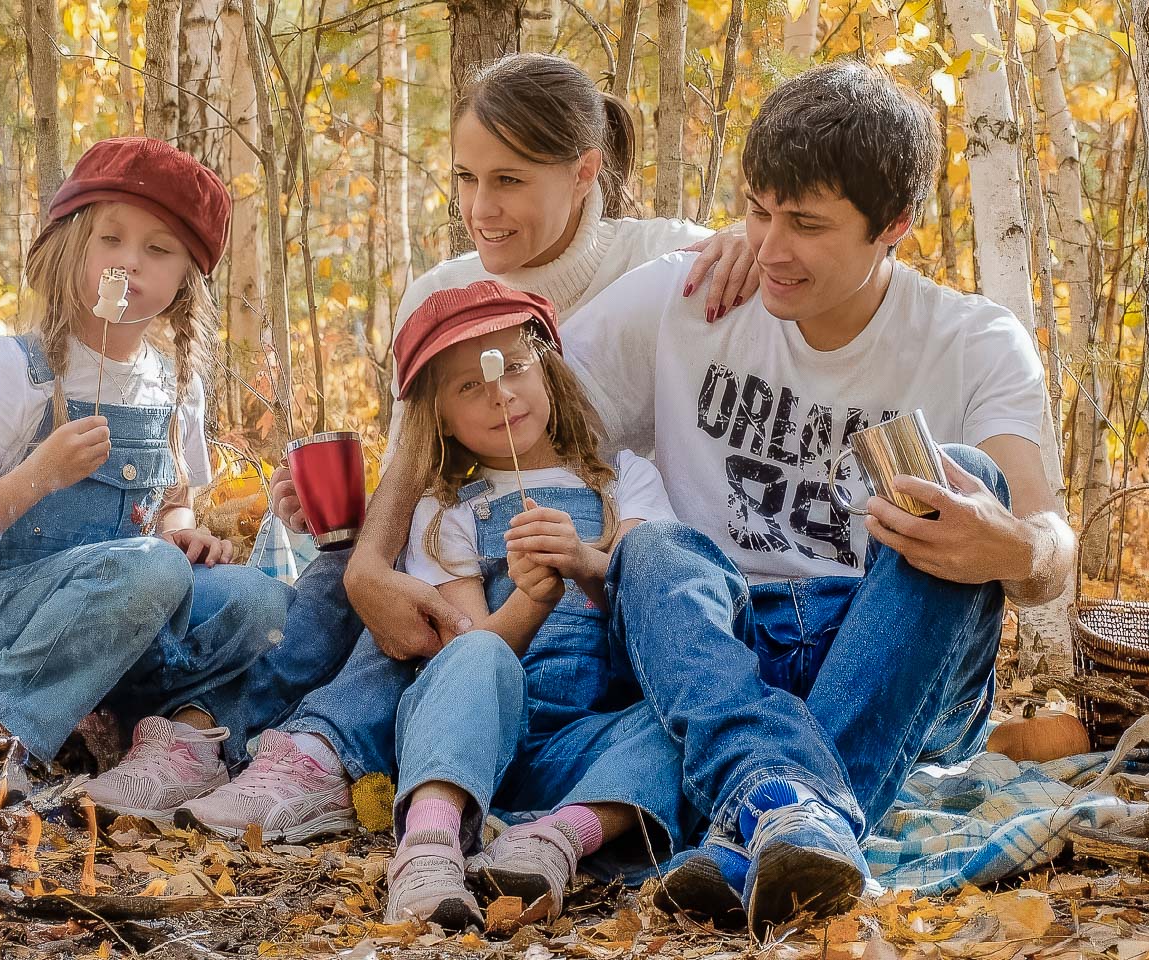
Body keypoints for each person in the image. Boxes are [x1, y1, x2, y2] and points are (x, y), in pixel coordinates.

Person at [180, 52, 755, 841]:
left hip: (611, 589)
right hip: (474, 580)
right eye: (465, 178)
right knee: (386, 589)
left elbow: (802, 273)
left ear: (585, 170)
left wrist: (753, 241)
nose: (480, 208)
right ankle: (262, 746)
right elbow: (414, 472)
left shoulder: (670, 261)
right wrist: (365, 564)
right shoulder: (442, 294)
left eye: (510, 180)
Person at [561, 62, 1078, 933]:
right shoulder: (691, 294)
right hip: (723, 647)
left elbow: (1052, 554)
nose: (768, 248)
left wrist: (1013, 548)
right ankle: (795, 820)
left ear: (897, 228)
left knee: (967, 475)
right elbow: (534, 425)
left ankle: (754, 823)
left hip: (885, 645)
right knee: (652, 550)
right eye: (758, 210)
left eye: (804, 224)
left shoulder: (974, 342)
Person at [0, 137, 293, 818]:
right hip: (4, 612)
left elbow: (172, 507)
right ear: (73, 250)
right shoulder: (17, 367)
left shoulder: (177, 384)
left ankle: (162, 735)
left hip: (128, 610)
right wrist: (39, 474)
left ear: (185, 278)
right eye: (110, 240)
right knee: (149, 572)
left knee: (263, 602)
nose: (129, 261)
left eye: (158, 250)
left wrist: (185, 537)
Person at [371, 282, 689, 929]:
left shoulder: (623, 480)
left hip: (588, 744)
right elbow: (469, 650)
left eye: (515, 366)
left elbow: (648, 601)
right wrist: (531, 600)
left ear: (547, 369)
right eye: (467, 387)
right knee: (478, 653)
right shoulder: (448, 512)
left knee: (676, 724)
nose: (499, 391)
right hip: (479, 741)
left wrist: (583, 563)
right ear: (441, 417)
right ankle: (429, 843)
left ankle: (557, 839)